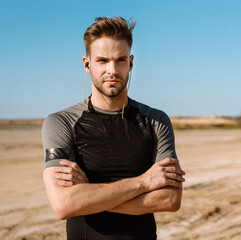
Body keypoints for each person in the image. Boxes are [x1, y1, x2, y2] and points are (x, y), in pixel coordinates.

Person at [42, 16, 185, 240]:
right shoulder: (61, 122)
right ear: (86, 64)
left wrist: (90, 196)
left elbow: (170, 200)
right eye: (102, 60)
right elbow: (63, 205)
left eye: (120, 60)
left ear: (131, 62)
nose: (112, 70)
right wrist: (145, 182)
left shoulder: (155, 121)